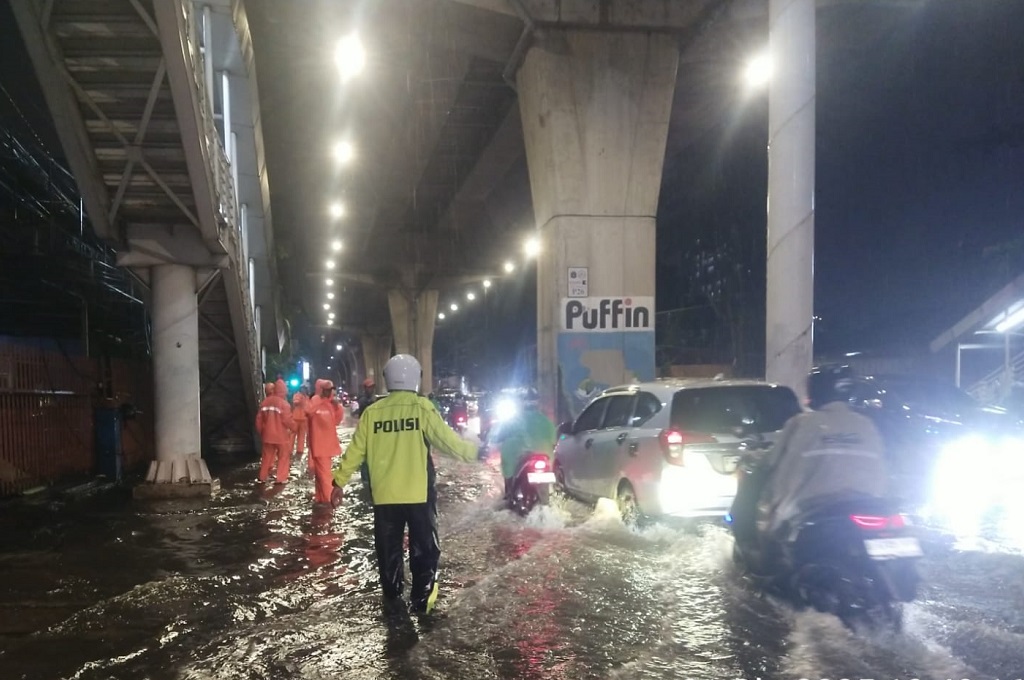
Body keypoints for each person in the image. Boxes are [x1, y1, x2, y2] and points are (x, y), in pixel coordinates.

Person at [330, 354, 479, 614]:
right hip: (418, 496)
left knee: (388, 552)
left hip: (384, 497)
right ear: (416, 378)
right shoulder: (421, 408)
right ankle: (421, 604)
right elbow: (448, 443)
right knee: (424, 550)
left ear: (387, 379)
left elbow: (355, 451)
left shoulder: (372, 413)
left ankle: (392, 601)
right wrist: (478, 453)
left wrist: (338, 482)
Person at [732, 365, 889, 561]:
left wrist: (751, 457)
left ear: (816, 391)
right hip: (869, 505)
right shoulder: (866, 424)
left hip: (813, 509)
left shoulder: (803, 424)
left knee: (774, 546)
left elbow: (773, 461)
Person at [494, 394, 556, 499]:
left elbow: (499, 436)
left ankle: (509, 494)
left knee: (508, 467)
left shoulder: (513, 420)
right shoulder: (546, 421)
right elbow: (554, 441)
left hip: (519, 456)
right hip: (544, 457)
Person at [307, 378, 345, 505]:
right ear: (321, 390)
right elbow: (308, 412)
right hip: (320, 446)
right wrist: (321, 402)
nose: (329, 393)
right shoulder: (315, 401)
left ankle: (321, 498)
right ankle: (330, 500)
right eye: (327, 390)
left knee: (321, 475)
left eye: (331, 390)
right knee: (325, 476)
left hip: (326, 446)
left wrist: (337, 406)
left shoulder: (330, 404)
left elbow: (337, 421)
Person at [255, 382, 296, 484]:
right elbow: (287, 420)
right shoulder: (284, 404)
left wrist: (262, 432)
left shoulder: (264, 403)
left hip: (267, 436)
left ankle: (262, 477)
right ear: (284, 390)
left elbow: (258, 420)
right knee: (283, 456)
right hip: (281, 437)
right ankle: (281, 478)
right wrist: (295, 428)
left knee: (266, 457)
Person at [291, 385, 310, 459]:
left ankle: (300, 450)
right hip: (296, 418)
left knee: (302, 436)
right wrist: (301, 399)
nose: (304, 390)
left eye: (305, 389)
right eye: (303, 389)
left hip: (304, 419)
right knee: (292, 435)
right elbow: (295, 402)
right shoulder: (297, 395)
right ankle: (290, 450)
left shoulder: (307, 398)